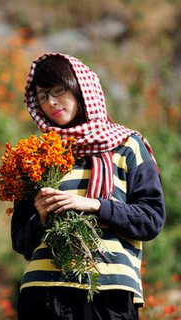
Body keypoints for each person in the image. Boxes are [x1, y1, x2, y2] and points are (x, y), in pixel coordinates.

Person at [11, 53, 165, 320]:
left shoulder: (127, 145)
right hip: (43, 295)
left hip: (108, 293)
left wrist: (94, 205)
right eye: (42, 96)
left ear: (80, 87)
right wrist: (41, 216)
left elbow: (151, 219)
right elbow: (21, 242)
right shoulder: (36, 155)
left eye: (58, 90)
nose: (51, 102)